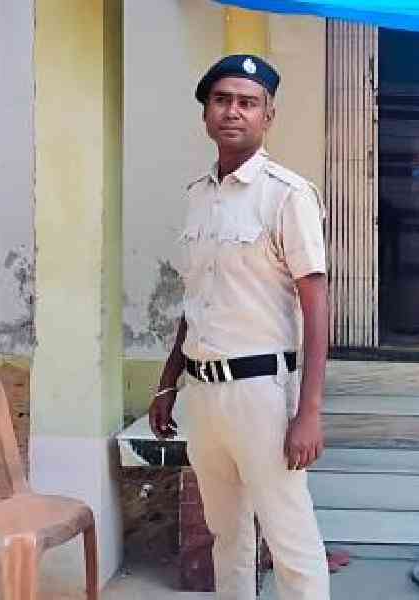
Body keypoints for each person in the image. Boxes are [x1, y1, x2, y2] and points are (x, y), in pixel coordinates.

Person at [148, 54, 330, 600]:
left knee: (291, 541)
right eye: (222, 100)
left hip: (263, 396)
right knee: (226, 535)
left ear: (267, 116)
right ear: (206, 113)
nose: (233, 111)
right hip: (203, 394)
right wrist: (167, 379)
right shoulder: (196, 197)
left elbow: (318, 309)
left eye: (248, 102)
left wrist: (310, 413)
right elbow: (196, 298)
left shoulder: (287, 195)